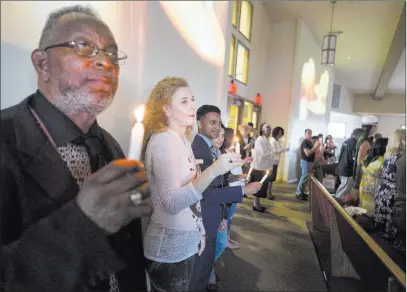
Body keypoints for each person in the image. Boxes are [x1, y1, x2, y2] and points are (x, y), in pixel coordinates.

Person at [0, 5, 153, 292]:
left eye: (111, 53)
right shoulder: (5, 140)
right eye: (83, 46)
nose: (105, 62)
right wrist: (85, 224)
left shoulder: (111, 146)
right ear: (42, 64)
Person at [142, 78, 245, 292]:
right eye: (184, 101)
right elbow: (172, 203)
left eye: (192, 100)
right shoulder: (163, 141)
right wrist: (214, 169)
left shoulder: (181, 140)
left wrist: (200, 232)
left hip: (185, 242)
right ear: (166, 108)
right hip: (169, 248)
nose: (192, 106)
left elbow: (192, 197)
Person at [189, 105, 262, 292]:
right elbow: (206, 193)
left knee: (205, 266)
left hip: (212, 215)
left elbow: (217, 181)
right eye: (211, 122)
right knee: (198, 271)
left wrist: (236, 175)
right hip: (204, 217)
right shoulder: (199, 150)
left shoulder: (210, 148)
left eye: (218, 123)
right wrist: (243, 190)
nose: (216, 127)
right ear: (199, 122)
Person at [374, 129, 406, 251]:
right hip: (393, 196)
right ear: (402, 140)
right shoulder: (402, 158)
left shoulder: (388, 156)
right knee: (394, 229)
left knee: (384, 228)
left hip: (383, 194)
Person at [221, 128, 242, 250]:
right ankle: (225, 240)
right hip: (230, 190)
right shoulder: (224, 156)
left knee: (230, 216)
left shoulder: (232, 153)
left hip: (235, 188)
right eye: (233, 138)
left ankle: (227, 237)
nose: (235, 140)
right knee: (227, 217)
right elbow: (228, 176)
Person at [359, 138, 388, 216]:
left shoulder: (369, 158)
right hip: (374, 190)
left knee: (365, 211)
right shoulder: (383, 162)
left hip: (364, 186)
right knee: (372, 213)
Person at [250, 122, 275, 211]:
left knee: (261, 187)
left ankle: (256, 204)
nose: (269, 129)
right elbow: (264, 154)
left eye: (270, 128)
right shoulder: (260, 140)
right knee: (258, 187)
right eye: (267, 127)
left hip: (264, 167)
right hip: (259, 167)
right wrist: (274, 153)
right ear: (262, 130)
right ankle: (256, 205)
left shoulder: (266, 140)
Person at [334, 128, 364, 202]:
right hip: (347, 170)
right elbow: (354, 158)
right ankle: (335, 205)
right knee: (343, 190)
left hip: (341, 168)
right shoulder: (354, 143)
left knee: (344, 189)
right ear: (359, 135)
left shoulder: (346, 142)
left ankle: (339, 204)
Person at [353, 117, 378, 191]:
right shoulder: (365, 141)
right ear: (371, 126)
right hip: (363, 177)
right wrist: (356, 185)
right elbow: (360, 163)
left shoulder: (364, 138)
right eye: (375, 125)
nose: (376, 128)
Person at [296, 129, 319, 200]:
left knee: (305, 178)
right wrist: (315, 147)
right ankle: (299, 193)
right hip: (306, 161)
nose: (310, 134)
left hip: (309, 162)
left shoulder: (309, 142)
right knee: (304, 177)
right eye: (308, 133)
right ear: (305, 134)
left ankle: (301, 192)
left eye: (311, 133)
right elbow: (307, 153)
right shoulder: (305, 142)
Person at [268, 126, 289, 200]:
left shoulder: (278, 140)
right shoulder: (272, 140)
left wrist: (283, 149)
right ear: (275, 132)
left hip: (276, 161)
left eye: (281, 133)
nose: (280, 134)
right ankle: (268, 193)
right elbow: (273, 151)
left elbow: (279, 149)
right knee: (270, 178)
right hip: (271, 161)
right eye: (279, 133)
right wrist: (283, 149)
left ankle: (269, 192)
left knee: (273, 178)